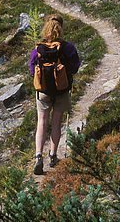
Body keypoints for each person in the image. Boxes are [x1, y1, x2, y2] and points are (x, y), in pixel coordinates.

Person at [29, 13, 80, 175]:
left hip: (43, 91)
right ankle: (52, 155)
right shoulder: (67, 47)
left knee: (42, 122)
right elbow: (75, 67)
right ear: (61, 28)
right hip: (61, 90)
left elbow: (31, 69)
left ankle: (38, 156)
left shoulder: (38, 49)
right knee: (56, 122)